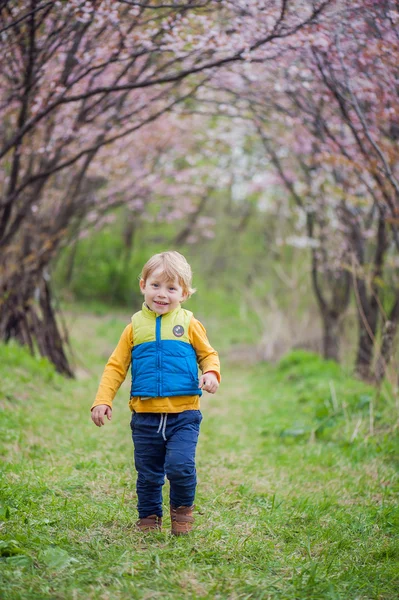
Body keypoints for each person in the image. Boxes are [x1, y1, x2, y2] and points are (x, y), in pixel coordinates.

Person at [91, 250, 220, 535]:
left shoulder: (189, 324)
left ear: (184, 294)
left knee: (180, 466)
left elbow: (208, 355)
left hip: (183, 414)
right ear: (143, 286)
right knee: (148, 474)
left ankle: (182, 512)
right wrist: (103, 399)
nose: (162, 294)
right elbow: (116, 367)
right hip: (145, 417)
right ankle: (149, 519)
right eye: (156, 286)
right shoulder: (134, 328)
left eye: (171, 288)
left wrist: (210, 373)